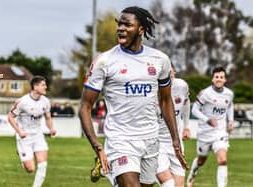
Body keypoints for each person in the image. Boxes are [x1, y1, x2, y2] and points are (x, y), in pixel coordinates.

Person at [79, 6, 188, 187]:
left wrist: (175, 140)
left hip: (151, 140)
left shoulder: (160, 60)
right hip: (120, 140)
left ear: (141, 30)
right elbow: (85, 106)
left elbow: (165, 100)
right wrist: (98, 147)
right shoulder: (104, 61)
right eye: (119, 24)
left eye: (127, 24)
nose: (120, 28)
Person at [186, 67, 234, 187]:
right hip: (204, 133)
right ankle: (192, 174)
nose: (219, 79)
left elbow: (230, 106)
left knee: (222, 160)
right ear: (213, 79)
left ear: (225, 79)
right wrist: (207, 120)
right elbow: (194, 110)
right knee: (201, 160)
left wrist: (231, 121)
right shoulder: (205, 93)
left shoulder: (229, 93)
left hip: (220, 132)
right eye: (217, 77)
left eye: (221, 77)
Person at [8, 75, 56, 187]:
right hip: (24, 137)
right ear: (35, 86)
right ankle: (21, 154)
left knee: (43, 165)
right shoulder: (22, 102)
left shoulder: (46, 102)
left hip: (38, 136)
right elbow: (10, 117)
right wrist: (19, 131)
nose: (46, 87)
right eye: (43, 85)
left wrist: (51, 128)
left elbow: (48, 117)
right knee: (30, 169)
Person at [156, 65, 191, 187]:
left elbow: (186, 103)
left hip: (176, 143)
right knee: (169, 183)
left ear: (174, 72)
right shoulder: (152, 91)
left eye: (169, 71)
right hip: (156, 143)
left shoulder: (182, 86)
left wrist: (186, 126)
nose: (167, 74)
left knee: (179, 185)